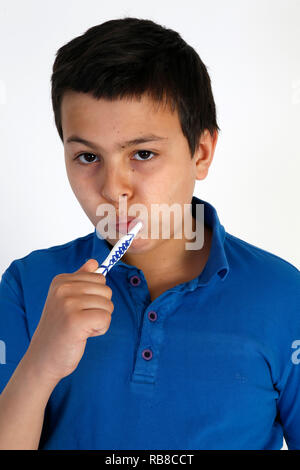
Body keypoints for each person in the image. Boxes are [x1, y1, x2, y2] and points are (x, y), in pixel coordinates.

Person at [0, 17, 299, 451]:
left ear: (201, 152)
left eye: (142, 153)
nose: (112, 188)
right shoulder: (27, 285)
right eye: (87, 156)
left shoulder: (284, 296)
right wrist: (39, 365)